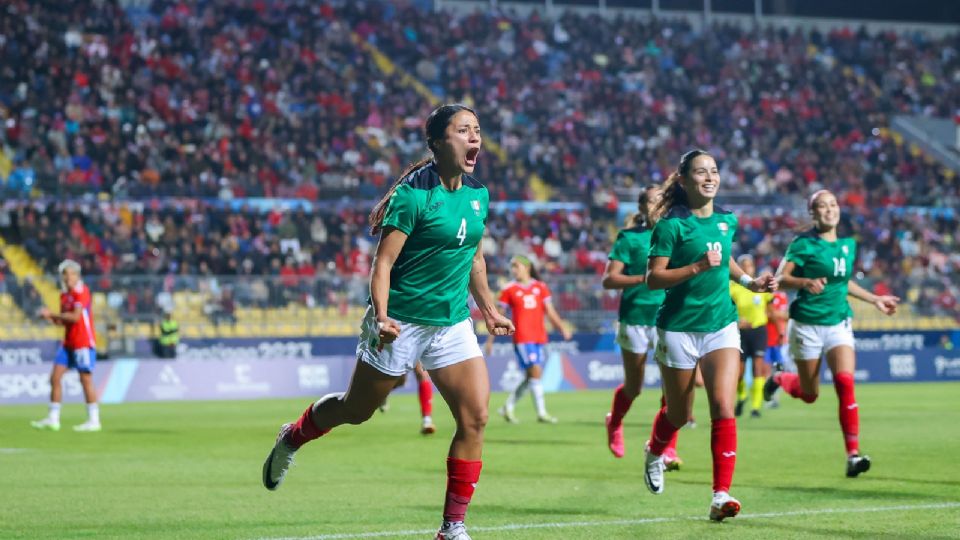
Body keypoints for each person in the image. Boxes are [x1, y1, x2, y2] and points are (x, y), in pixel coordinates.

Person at [261, 104, 513, 540]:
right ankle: (294, 435)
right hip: (401, 320)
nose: (474, 138)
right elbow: (383, 263)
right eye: (463, 130)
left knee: (475, 418)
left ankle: (452, 527)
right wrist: (381, 317)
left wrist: (487, 309)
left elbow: (473, 254)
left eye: (477, 130)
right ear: (437, 142)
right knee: (356, 410)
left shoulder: (478, 194)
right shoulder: (413, 195)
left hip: (451, 324)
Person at [639, 149, 776, 521]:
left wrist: (750, 282)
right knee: (680, 414)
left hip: (721, 326)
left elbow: (725, 258)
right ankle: (654, 453)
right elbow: (653, 279)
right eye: (701, 172)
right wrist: (696, 267)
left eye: (714, 170)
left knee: (723, 407)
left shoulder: (727, 220)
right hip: (678, 328)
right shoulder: (671, 225)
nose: (710, 177)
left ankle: (720, 496)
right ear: (683, 181)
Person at [764, 189, 899, 478]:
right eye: (822, 206)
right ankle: (780, 378)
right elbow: (779, 280)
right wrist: (803, 281)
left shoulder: (848, 244)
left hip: (839, 322)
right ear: (813, 214)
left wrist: (874, 299)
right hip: (806, 325)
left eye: (833, 204)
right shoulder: (803, 244)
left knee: (845, 383)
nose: (830, 210)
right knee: (810, 394)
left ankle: (853, 455)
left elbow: (844, 281)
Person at [601, 185, 682, 468]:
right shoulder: (630, 238)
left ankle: (667, 448)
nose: (658, 205)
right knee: (634, 387)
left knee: (672, 388)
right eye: (652, 201)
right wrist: (644, 279)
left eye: (662, 200)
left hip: (669, 318)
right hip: (634, 317)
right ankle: (615, 421)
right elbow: (609, 280)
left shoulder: (675, 233)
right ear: (642, 207)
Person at [488, 255, 571, 424]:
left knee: (530, 377)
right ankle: (541, 413)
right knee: (535, 372)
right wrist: (490, 340)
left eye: (516, 266)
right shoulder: (509, 289)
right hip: (522, 338)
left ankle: (507, 407)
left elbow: (550, 311)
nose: (513, 270)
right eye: (512, 267)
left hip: (539, 337)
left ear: (527, 267)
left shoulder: (540, 287)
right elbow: (497, 316)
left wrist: (562, 327)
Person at [31, 259, 101, 432]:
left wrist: (54, 314)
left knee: (85, 380)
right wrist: (49, 317)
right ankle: (53, 419)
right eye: (65, 274)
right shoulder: (64, 295)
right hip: (68, 342)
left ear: (77, 276)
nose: (68, 277)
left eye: (71, 274)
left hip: (82, 342)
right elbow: (64, 321)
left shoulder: (81, 292)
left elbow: (76, 317)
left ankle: (94, 420)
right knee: (54, 378)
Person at [730, 254, 773, 418]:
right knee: (739, 372)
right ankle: (742, 396)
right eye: (744, 265)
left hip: (758, 331)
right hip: (739, 332)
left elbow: (769, 310)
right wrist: (737, 320)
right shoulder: (732, 287)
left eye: (750, 265)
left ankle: (756, 407)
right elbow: (725, 309)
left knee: (758, 368)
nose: (748, 268)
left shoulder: (761, 287)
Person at [379, 361, 438, 435]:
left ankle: (427, 421)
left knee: (422, 373)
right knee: (401, 381)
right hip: (402, 350)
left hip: (417, 349)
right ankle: (384, 393)